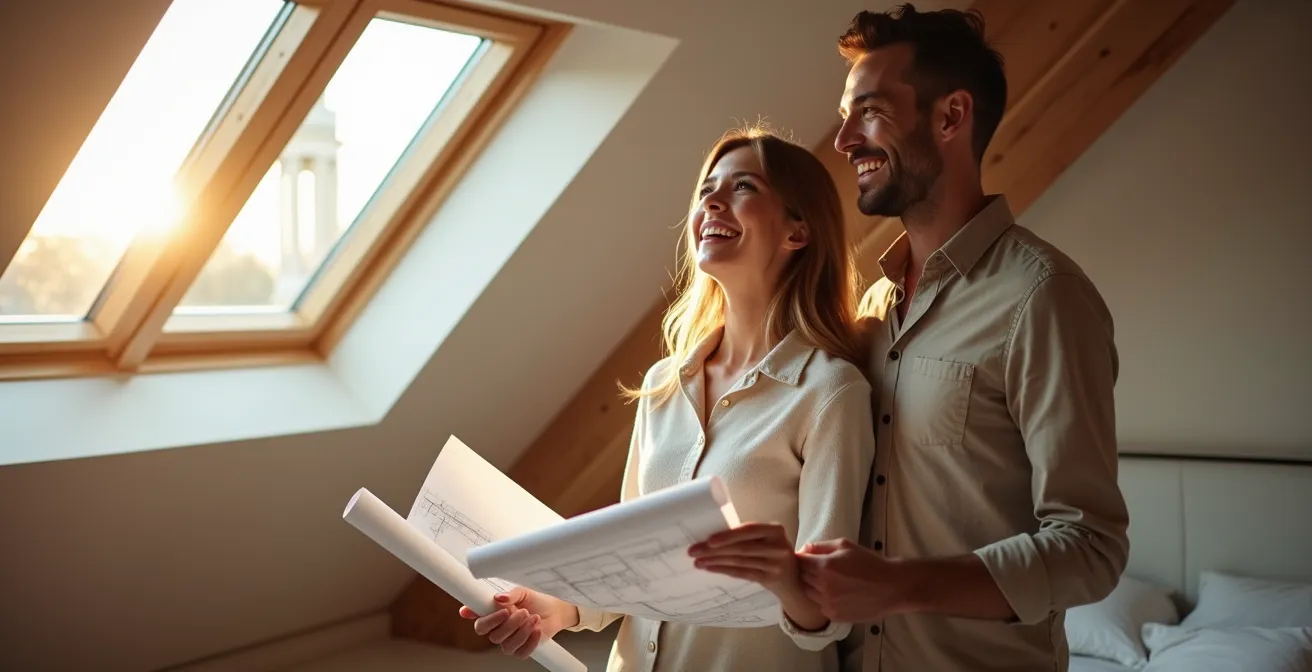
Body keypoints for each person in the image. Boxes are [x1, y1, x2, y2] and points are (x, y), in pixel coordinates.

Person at [459, 125, 878, 671]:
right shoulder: (663, 384)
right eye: (708, 188)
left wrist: (782, 577)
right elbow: (629, 566)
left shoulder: (830, 393)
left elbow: (830, 614)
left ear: (797, 232)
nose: (711, 201)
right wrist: (547, 608)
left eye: (742, 187)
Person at [794, 5, 1131, 672]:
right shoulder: (871, 310)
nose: (844, 141)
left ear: (950, 117)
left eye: (869, 111)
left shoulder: (1044, 298)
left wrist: (899, 587)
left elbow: (1091, 549)